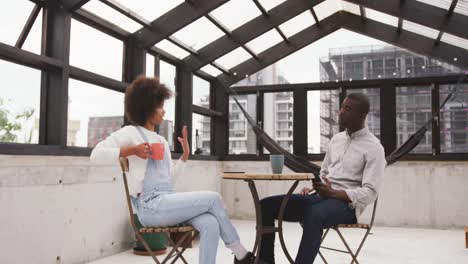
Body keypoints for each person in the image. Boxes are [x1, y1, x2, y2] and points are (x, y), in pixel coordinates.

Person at [90, 76, 254, 264]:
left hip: (166, 202)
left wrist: (184, 156)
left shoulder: (161, 141)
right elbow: (96, 154)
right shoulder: (130, 133)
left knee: (211, 223)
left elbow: (169, 181)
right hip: (149, 207)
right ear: (147, 108)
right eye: (160, 106)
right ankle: (242, 255)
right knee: (214, 198)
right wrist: (131, 150)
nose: (164, 111)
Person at [258, 93, 386, 264]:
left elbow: (370, 193)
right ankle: (265, 261)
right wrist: (314, 187)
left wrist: (333, 193)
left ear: (362, 115)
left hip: (347, 207)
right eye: (342, 107)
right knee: (266, 205)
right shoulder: (336, 140)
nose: (341, 111)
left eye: (347, 109)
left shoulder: (374, 148)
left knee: (314, 214)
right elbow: (324, 172)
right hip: (320, 197)